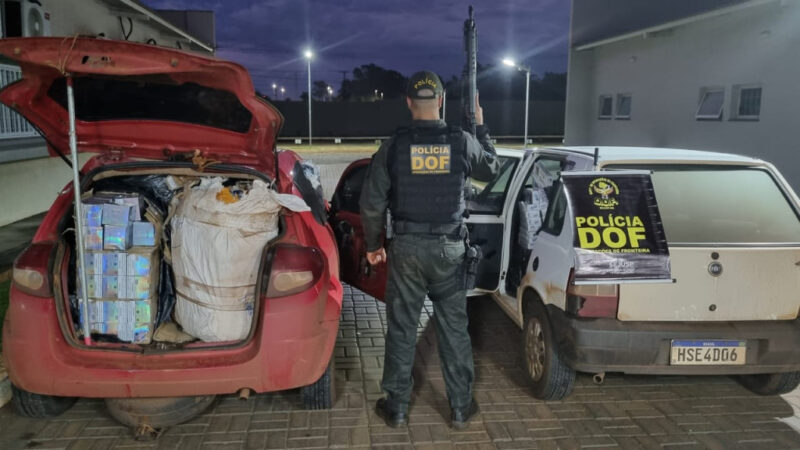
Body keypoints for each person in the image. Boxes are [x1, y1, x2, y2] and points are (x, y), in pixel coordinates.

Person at [359, 70, 499, 429]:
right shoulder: (462, 139)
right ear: (440, 101)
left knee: (403, 328)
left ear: (409, 103)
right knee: (454, 329)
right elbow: (491, 169)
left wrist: (374, 245)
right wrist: (481, 127)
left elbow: (372, 202)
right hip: (450, 249)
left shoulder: (393, 145)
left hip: (406, 250)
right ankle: (460, 407)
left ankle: (398, 406)